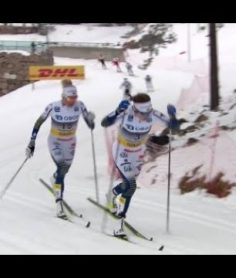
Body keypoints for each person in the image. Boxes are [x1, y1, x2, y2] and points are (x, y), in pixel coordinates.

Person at [101, 93, 179, 236]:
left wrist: (173, 117)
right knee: (131, 186)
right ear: (135, 109)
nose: (146, 115)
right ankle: (120, 224)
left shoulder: (153, 113)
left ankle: (111, 195)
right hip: (121, 151)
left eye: (148, 111)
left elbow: (174, 127)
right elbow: (105, 123)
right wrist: (117, 111)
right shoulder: (125, 113)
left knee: (128, 183)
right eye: (143, 112)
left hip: (138, 153)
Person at [25, 84, 95, 219]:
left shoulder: (80, 105)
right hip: (55, 141)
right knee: (62, 167)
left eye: (75, 97)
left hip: (70, 143)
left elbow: (90, 125)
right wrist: (32, 142)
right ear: (63, 97)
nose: (73, 100)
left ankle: (55, 178)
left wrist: (91, 120)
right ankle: (59, 205)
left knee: (63, 171)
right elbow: (38, 122)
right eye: (70, 97)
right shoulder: (53, 106)